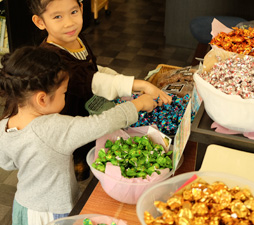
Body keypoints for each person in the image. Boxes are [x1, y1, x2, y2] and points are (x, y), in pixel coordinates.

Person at [0, 46, 159, 225]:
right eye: (64, 93)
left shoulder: (4, 124)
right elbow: (103, 123)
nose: (66, 97)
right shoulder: (53, 128)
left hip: (24, 207)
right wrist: (137, 104)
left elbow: (6, 163)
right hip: (54, 212)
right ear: (42, 99)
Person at [28, 0, 172, 181]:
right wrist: (140, 85)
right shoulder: (51, 56)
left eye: (73, 12)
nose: (69, 23)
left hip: (86, 111)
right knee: (73, 162)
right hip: (68, 119)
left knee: (91, 144)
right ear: (40, 22)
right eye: (57, 17)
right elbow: (92, 81)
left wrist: (122, 81)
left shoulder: (75, 38)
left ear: (81, 7)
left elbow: (93, 69)